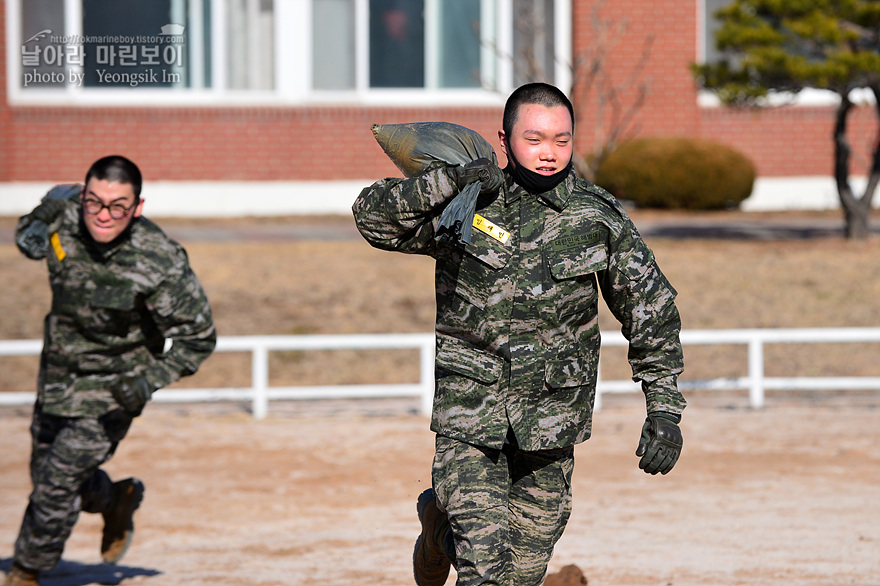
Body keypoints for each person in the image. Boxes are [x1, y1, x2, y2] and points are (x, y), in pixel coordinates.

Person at [352, 82, 686, 586]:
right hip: (471, 417)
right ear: (504, 141)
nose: (549, 153)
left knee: (520, 577)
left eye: (561, 140)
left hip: (550, 426)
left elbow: (650, 309)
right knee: (485, 574)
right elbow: (373, 219)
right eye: (534, 139)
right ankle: (452, 534)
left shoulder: (596, 217)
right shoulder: (466, 203)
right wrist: (453, 181)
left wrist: (664, 408)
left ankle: (438, 532)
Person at [4, 156, 217, 586]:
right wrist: (40, 213)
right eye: (94, 202)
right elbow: (29, 245)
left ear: (137, 207)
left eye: (118, 206)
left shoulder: (159, 261)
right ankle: (116, 498)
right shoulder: (64, 215)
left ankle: (27, 571)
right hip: (58, 378)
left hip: (113, 390)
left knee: (56, 485)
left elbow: (199, 338)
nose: (103, 216)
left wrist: (145, 383)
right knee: (52, 479)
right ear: (82, 196)